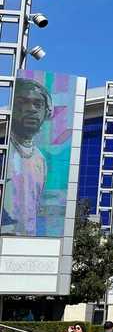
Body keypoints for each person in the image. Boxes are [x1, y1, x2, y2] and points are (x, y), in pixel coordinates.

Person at [1, 77, 51, 235]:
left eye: (38, 104)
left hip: (27, 240)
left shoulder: (40, 158)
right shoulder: (4, 149)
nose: (31, 109)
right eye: (23, 102)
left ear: (46, 112)